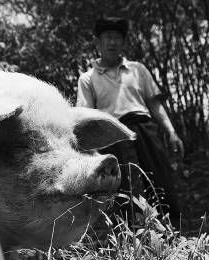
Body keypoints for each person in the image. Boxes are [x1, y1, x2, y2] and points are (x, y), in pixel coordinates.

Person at [76, 16, 184, 228]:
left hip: (145, 129)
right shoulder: (87, 78)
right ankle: (134, 239)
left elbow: (155, 105)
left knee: (160, 180)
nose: (112, 42)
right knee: (125, 189)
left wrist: (171, 132)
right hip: (112, 135)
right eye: (107, 37)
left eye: (117, 37)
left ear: (123, 42)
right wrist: (90, 151)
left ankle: (172, 234)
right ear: (98, 43)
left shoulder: (138, 69)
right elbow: (86, 115)